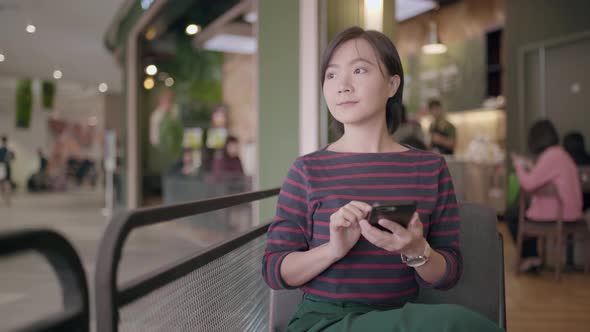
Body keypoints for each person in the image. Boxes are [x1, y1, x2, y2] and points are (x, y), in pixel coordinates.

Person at [262, 26, 502, 331]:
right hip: (322, 322)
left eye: (359, 70)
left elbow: (449, 272)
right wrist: (333, 250)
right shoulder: (307, 170)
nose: (342, 86)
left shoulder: (430, 168)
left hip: (398, 318)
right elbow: (273, 269)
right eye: (331, 75)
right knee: (459, 324)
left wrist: (416, 250)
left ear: (392, 84)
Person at [509, 120, 583, 272]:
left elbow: (528, 184)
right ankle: (532, 257)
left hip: (560, 213)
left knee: (513, 214)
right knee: (519, 212)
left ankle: (531, 258)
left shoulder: (550, 156)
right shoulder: (561, 154)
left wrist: (517, 165)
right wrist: (530, 166)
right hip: (573, 211)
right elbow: (544, 175)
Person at [0, 135, 14, 205]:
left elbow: (12, 158)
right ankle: (7, 199)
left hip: (4, 167)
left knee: (5, 184)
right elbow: (12, 158)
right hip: (4, 167)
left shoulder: (7, 150)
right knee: (5, 184)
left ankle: (7, 199)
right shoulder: (6, 150)